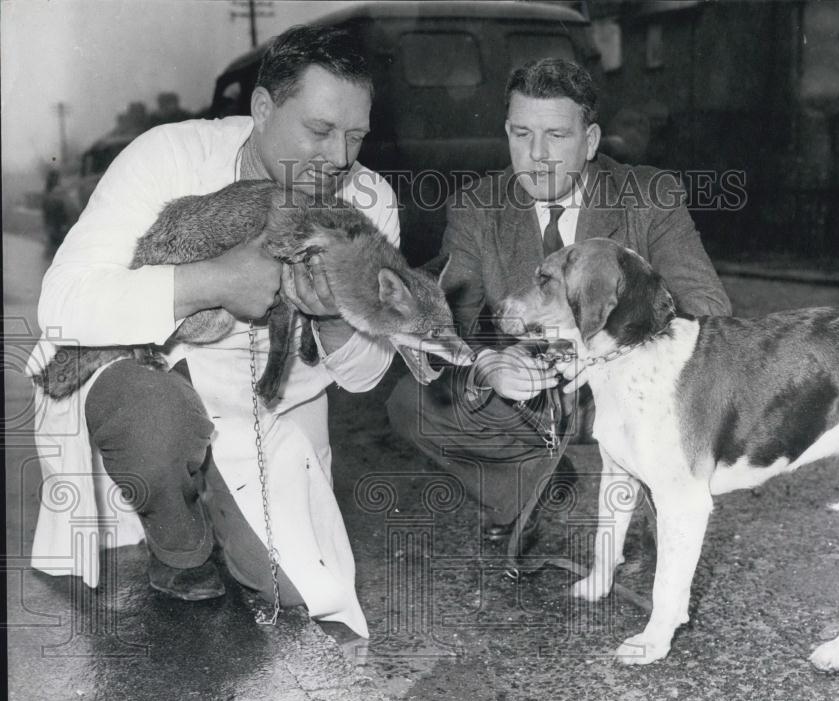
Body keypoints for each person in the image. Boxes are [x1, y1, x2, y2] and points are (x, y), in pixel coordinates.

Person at [27, 25, 400, 638]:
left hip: (267, 419)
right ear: (261, 108)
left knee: (312, 595)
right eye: (319, 130)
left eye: (355, 136)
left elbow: (364, 376)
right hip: (153, 378)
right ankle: (178, 545)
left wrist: (333, 317)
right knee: (152, 417)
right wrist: (213, 281)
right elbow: (62, 303)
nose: (339, 158)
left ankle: (225, 512)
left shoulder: (368, 202)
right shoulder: (166, 156)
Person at [387, 58, 731, 542]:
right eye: (522, 134)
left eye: (557, 136)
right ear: (506, 132)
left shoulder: (649, 196)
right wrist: (488, 362)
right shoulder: (477, 207)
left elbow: (710, 314)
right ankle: (531, 491)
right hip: (531, 404)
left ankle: (649, 486)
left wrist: (593, 348)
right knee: (413, 401)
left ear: (589, 141)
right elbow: (439, 329)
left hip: (630, 394)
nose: (537, 155)